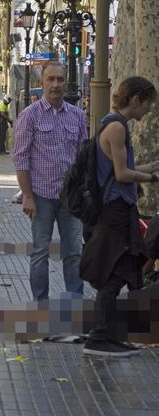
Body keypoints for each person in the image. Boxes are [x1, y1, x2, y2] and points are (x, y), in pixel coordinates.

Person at [81, 77, 159, 357]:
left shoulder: (117, 124)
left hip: (119, 209)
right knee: (115, 273)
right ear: (136, 99)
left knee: (121, 270)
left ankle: (104, 334)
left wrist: (151, 166)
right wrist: (151, 177)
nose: (149, 110)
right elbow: (122, 174)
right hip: (115, 211)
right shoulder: (115, 127)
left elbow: (124, 167)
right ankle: (99, 337)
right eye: (148, 103)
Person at [12, 61, 87, 301]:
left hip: (70, 198)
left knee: (74, 252)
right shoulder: (29, 116)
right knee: (40, 251)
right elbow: (21, 157)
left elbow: (82, 158)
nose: (56, 85)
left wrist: (84, 194)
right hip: (41, 196)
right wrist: (28, 196)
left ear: (66, 83)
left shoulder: (77, 116)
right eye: (51, 80)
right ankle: (40, 305)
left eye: (60, 80)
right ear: (42, 83)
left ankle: (74, 304)